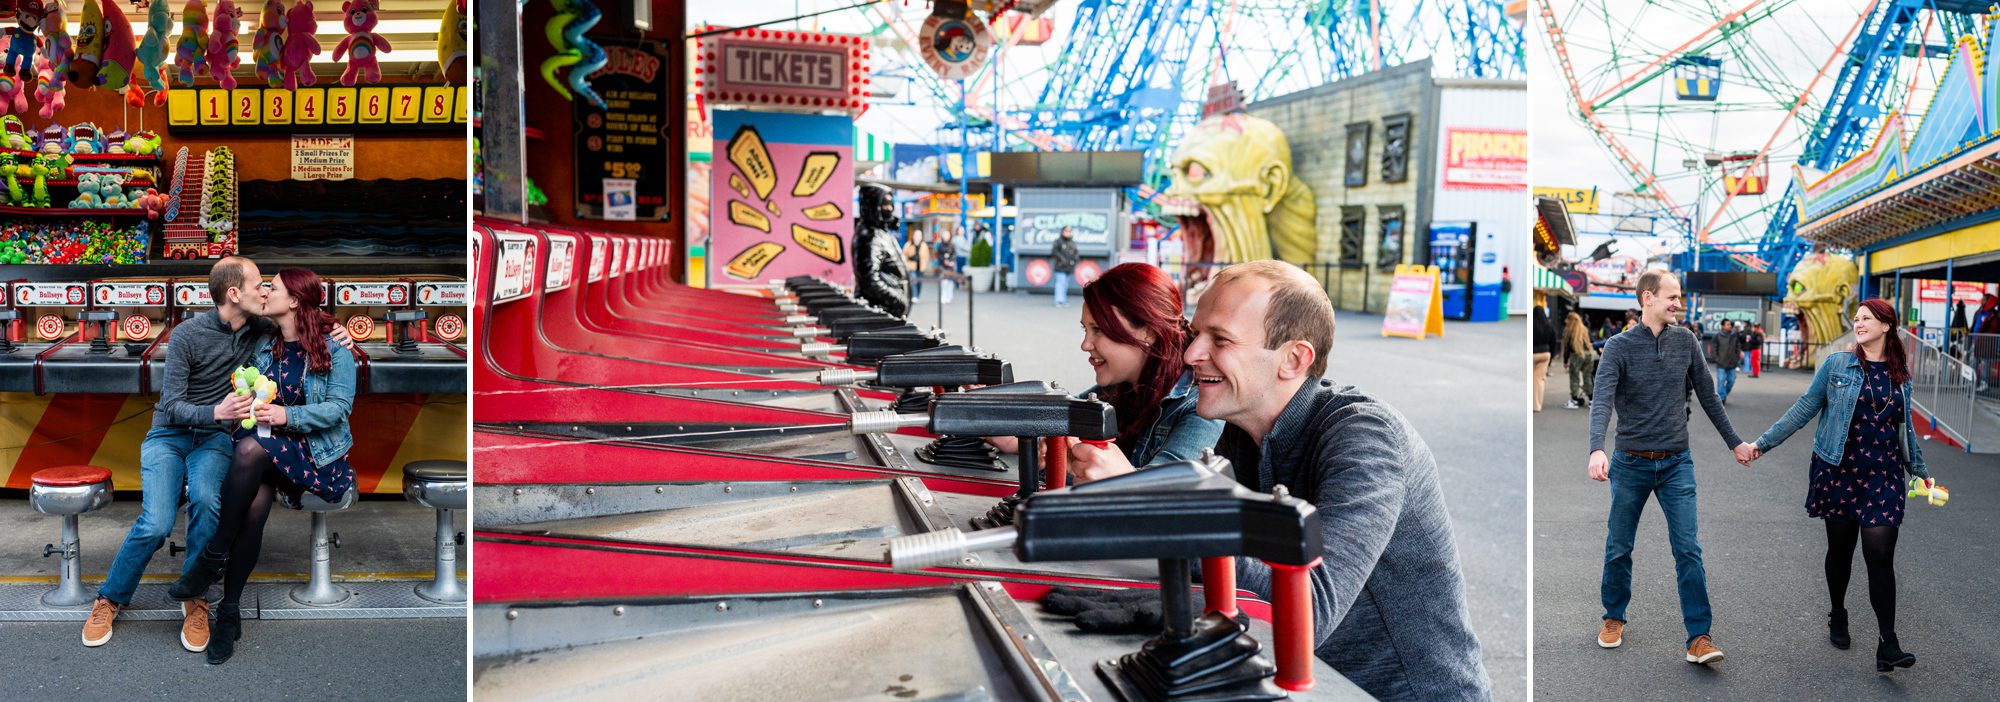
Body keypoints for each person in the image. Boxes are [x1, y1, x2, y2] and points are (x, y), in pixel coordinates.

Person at [1187, 260, 1490, 700]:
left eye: (1220, 339)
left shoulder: (1365, 435)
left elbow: (1307, 607)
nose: (1191, 353)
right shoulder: (1242, 430)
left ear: (1293, 359)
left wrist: (1169, 520)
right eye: (1195, 333)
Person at [81, 257, 273, 653]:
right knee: (156, 523)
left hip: (213, 440)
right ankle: (110, 598)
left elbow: (302, 322)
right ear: (234, 293)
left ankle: (196, 597)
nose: (265, 291)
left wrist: (335, 328)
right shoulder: (187, 334)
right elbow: (170, 405)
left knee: (206, 501)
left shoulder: (259, 329)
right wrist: (216, 412)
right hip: (168, 436)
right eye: (259, 284)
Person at [167, 268, 358, 665]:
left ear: (293, 302)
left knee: (251, 453)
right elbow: (235, 353)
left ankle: (213, 556)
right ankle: (230, 611)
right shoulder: (263, 341)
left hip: (315, 456)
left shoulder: (334, 350)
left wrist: (287, 416)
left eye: (273, 288)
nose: (265, 293)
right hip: (268, 451)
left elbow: (339, 409)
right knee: (254, 501)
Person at [1743, 299, 1930, 672]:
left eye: (1866, 319)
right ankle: (1838, 612)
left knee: (1880, 557)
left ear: (1887, 326)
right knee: (1840, 551)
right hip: (1839, 471)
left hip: (1884, 475)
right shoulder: (1837, 365)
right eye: (1856, 319)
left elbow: (1905, 429)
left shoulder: (1900, 374)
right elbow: (1803, 408)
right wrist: (1761, 444)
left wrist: (1921, 471)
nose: (1859, 324)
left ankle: (1887, 643)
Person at [1587, 269, 1755, 665]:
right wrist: (1597, 448)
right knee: (1619, 547)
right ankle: (1613, 617)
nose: (1678, 303)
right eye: (1672, 297)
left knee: (1688, 550)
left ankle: (1699, 637)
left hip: (1677, 462)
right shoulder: (1618, 346)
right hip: (1630, 463)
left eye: (1679, 297)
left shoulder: (1686, 342)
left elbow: (1710, 398)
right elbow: (1601, 401)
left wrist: (1735, 443)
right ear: (1648, 297)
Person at [992, 263, 1225, 482]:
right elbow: (1056, 423)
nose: (1085, 344)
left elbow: (1170, 497)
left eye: (1099, 330)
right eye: (1086, 329)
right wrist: (1019, 438)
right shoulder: (1116, 390)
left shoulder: (1202, 407)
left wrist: (1114, 478)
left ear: (1148, 332)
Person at [1563, 311, 1597, 410]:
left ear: (1569, 320)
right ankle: (1591, 400)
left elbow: (1566, 347)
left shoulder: (1569, 330)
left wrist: (1565, 361)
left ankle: (1574, 400)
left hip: (1576, 355)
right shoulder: (1585, 329)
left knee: (1574, 378)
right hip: (1588, 356)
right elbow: (1592, 341)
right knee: (1587, 378)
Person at [1531, 304, 1555, 412]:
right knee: (1539, 380)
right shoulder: (1549, 326)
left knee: (1531, 379)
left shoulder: (1532, 325)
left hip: (1533, 353)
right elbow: (1553, 342)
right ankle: (1537, 405)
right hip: (1545, 354)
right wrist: (1551, 357)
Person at [1712, 320, 1743, 404]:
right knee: (1721, 381)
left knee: (1731, 380)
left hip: (1732, 363)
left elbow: (1738, 347)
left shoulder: (1735, 336)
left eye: (1730, 325)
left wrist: (1736, 358)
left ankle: (1724, 394)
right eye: (1728, 324)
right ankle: (1721, 399)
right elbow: (1713, 349)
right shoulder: (1717, 336)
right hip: (1721, 363)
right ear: (1723, 326)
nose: (1730, 326)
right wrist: (1716, 359)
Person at [1050, 225, 1080, 308]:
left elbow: (1076, 253)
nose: (1068, 233)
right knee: (1060, 283)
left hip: (1069, 267)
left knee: (1065, 284)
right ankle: (1058, 300)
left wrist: (1075, 259)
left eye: (1069, 231)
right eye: (1066, 231)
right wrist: (1062, 259)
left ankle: (1063, 300)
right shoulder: (1058, 241)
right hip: (1060, 266)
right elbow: (1054, 252)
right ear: (1062, 232)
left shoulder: (1072, 242)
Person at [903, 230, 931, 303]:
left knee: (919, 282)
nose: (917, 237)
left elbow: (927, 255)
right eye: (916, 235)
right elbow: (903, 255)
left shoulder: (924, 245)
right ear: (913, 236)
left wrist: (925, 263)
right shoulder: (908, 244)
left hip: (921, 267)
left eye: (919, 236)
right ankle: (914, 296)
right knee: (913, 281)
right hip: (911, 266)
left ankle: (917, 296)